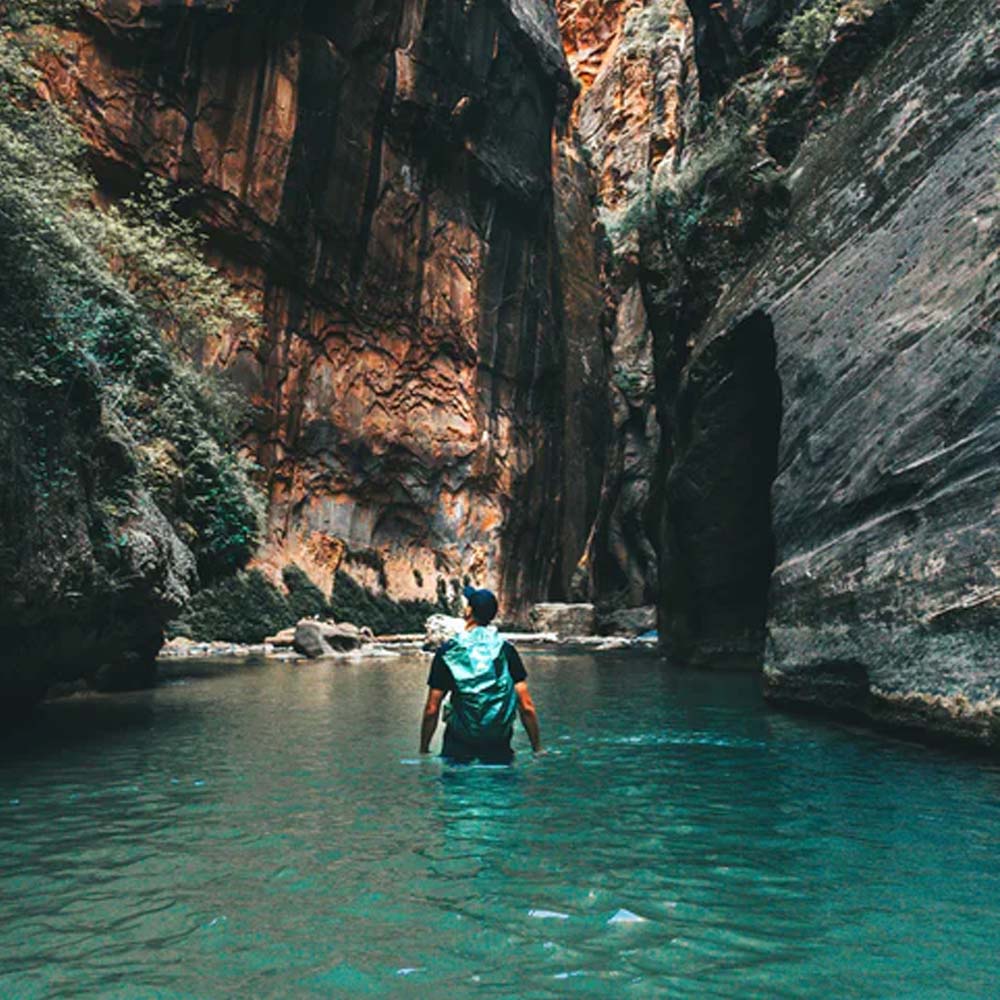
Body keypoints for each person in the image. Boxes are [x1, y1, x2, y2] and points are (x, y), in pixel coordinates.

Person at [420, 585, 542, 763]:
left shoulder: (449, 651)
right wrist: (537, 749)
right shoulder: (506, 650)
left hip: (458, 747)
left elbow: (432, 709)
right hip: (498, 745)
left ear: (469, 611)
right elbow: (527, 707)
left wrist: (424, 749)